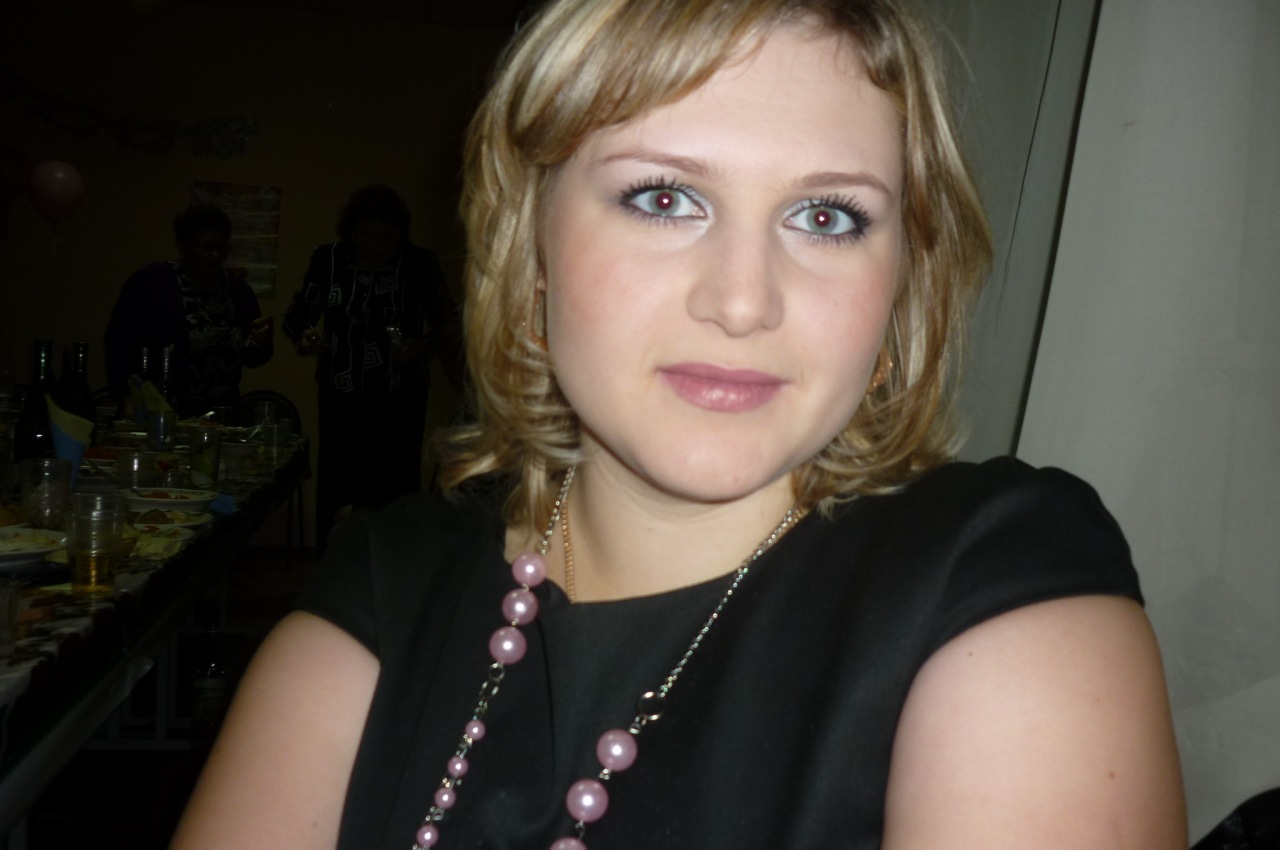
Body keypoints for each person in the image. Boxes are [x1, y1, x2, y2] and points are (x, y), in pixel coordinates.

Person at [172, 1, 1187, 848]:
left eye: (826, 217)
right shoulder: (379, 597)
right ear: (530, 249)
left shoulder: (1000, 589)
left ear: (900, 286)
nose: (742, 302)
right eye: (663, 198)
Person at [280, 185, 461, 547]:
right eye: (368, 234)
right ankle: (335, 562)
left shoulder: (419, 264)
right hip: (342, 392)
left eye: (388, 236)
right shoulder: (329, 260)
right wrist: (306, 336)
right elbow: (297, 317)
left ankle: (392, 563)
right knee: (340, 481)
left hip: (400, 393)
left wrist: (421, 346)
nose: (378, 244)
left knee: (394, 485)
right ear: (352, 232)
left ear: (401, 236)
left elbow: (449, 325)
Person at [104, 203, 274, 418]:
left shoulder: (238, 290)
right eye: (205, 247)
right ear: (183, 246)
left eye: (221, 247)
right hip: (164, 408)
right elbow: (119, 340)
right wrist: (126, 394)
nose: (215, 254)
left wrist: (261, 343)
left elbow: (253, 358)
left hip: (222, 411)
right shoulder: (154, 280)